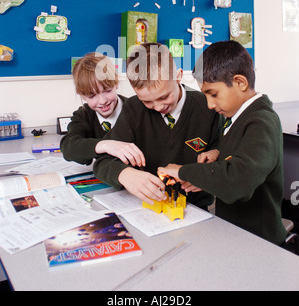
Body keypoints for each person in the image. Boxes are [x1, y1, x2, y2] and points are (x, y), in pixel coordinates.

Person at [158, 40, 287, 245]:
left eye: (214, 94)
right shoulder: (234, 118)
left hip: (261, 242)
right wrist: (218, 153)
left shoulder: (262, 121)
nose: (209, 105)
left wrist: (183, 171)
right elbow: (240, 155)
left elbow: (239, 181)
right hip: (235, 233)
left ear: (240, 82)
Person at [93, 42, 222, 209]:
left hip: (196, 208)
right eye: (147, 101)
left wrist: (213, 164)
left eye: (164, 97)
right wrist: (124, 174)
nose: (159, 107)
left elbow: (229, 154)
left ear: (178, 76)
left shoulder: (208, 105)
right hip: (146, 208)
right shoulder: (133, 109)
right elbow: (103, 161)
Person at [60, 52, 145, 167]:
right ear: (82, 95)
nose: (102, 101)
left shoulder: (136, 109)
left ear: (116, 82)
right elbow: (69, 148)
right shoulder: (84, 115)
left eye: (107, 90)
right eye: (92, 96)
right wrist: (106, 145)